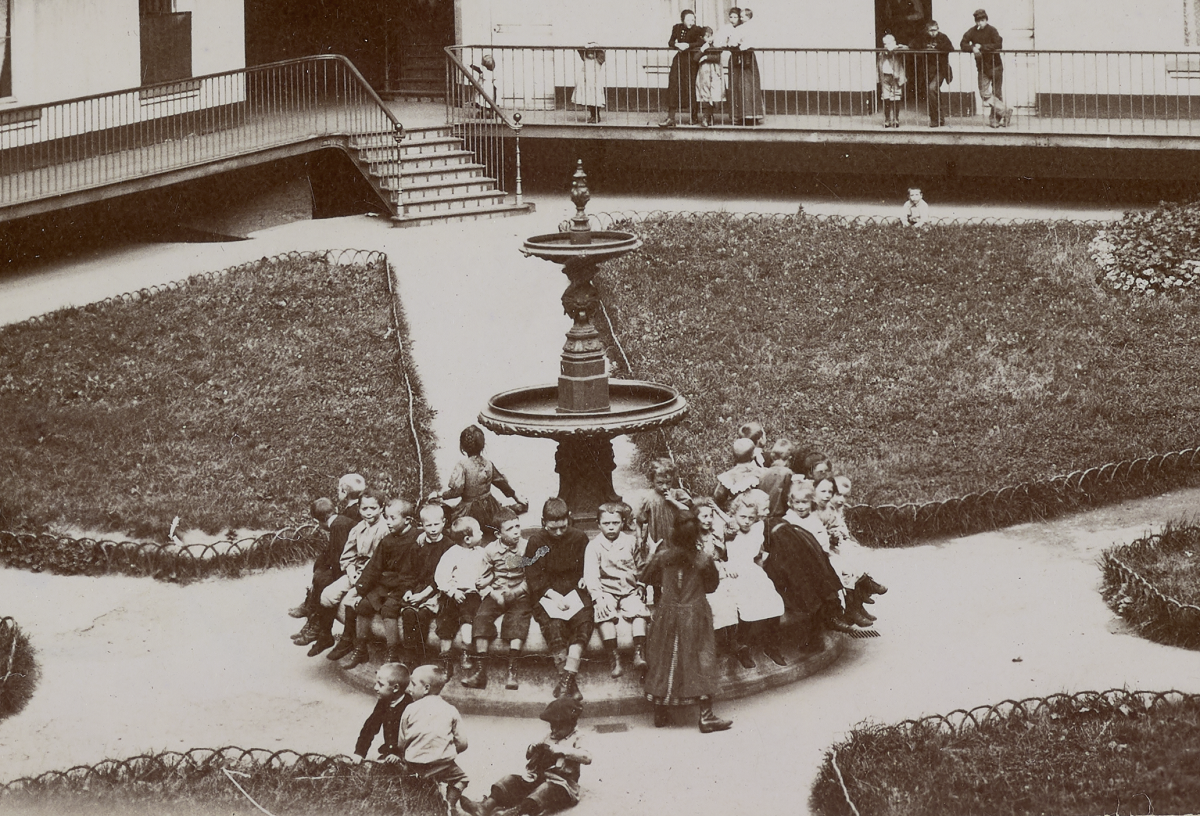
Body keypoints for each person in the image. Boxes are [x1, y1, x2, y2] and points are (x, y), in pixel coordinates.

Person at [641, 511, 732, 733]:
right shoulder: (703, 559)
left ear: (673, 533)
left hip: (667, 612)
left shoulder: (663, 557)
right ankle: (706, 715)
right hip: (695, 612)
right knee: (702, 659)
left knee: (663, 659)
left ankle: (661, 712)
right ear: (695, 536)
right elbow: (711, 586)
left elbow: (646, 578)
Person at [460, 696, 591, 816]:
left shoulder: (578, 737)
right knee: (510, 780)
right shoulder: (548, 735)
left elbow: (587, 757)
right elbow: (530, 756)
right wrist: (532, 748)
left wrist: (563, 750)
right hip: (538, 777)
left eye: (559, 727)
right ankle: (485, 806)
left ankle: (516, 812)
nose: (554, 731)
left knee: (545, 791)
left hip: (561, 785)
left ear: (572, 724)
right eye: (552, 727)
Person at [764, 482, 854, 653]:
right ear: (790, 503)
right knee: (811, 584)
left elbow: (821, 542)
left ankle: (841, 611)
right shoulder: (787, 521)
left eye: (804, 503)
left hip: (818, 558)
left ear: (811, 503)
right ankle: (828, 618)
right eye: (796, 503)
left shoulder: (813, 520)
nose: (800, 506)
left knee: (831, 573)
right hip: (801, 564)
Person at [527, 498, 594, 701]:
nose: (558, 533)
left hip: (575, 591)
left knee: (584, 621)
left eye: (563, 527)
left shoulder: (579, 537)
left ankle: (567, 679)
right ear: (543, 522)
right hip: (548, 594)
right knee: (554, 626)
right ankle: (569, 683)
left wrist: (585, 577)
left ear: (569, 519)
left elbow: (588, 564)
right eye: (552, 528)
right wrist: (554, 596)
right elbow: (533, 576)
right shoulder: (536, 542)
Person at [344, 498, 420, 668]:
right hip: (387, 583)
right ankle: (361, 649)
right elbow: (374, 567)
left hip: (407, 585)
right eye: (386, 517)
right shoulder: (387, 540)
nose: (388, 522)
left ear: (407, 520)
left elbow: (421, 569)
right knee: (363, 605)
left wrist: (411, 588)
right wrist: (360, 590)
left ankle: (392, 653)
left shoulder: (418, 538)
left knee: (389, 609)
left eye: (393, 518)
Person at [461, 508, 531, 691]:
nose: (516, 531)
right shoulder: (490, 550)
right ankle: (481, 671)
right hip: (497, 593)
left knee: (517, 621)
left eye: (517, 526)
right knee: (481, 618)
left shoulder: (527, 547)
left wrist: (514, 593)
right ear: (498, 533)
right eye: (510, 529)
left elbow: (532, 579)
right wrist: (494, 594)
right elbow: (482, 580)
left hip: (520, 593)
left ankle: (512, 671)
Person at [324, 489, 391, 663]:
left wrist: (361, 580)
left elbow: (380, 562)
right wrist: (351, 572)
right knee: (327, 596)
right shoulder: (358, 528)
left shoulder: (385, 529)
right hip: (356, 571)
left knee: (350, 601)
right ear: (359, 509)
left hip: (373, 574)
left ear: (381, 508)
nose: (368, 512)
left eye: (373, 508)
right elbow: (348, 555)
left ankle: (348, 640)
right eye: (364, 509)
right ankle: (325, 634)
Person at [584, 502, 649, 678]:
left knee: (639, 611)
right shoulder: (594, 546)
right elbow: (591, 575)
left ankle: (639, 652)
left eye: (615, 523)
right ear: (598, 524)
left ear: (622, 523)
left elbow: (641, 566)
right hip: (607, 591)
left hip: (629, 590)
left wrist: (641, 585)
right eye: (606, 523)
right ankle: (614, 657)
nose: (611, 527)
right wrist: (598, 597)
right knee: (604, 613)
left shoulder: (630, 541)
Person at [724, 492, 786, 668]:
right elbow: (720, 555)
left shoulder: (757, 529)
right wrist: (727, 568)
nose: (746, 521)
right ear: (733, 514)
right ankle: (741, 648)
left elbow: (757, 556)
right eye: (742, 516)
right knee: (746, 605)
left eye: (751, 517)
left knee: (773, 599)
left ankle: (771, 645)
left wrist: (761, 573)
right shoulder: (727, 528)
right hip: (732, 571)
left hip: (751, 570)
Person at [435, 425, 528, 540]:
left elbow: (457, 491)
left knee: (451, 527)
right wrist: (516, 497)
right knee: (496, 521)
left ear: (462, 447)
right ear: (483, 445)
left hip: (468, 510)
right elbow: (501, 483)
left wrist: (441, 495)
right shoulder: (488, 463)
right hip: (490, 507)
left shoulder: (462, 465)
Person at [399, 665, 469, 816]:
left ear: (426, 688)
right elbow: (463, 743)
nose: (409, 689)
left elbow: (401, 743)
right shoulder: (450, 709)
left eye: (413, 684)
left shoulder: (410, 709)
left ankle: (414, 795)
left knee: (408, 774)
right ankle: (449, 805)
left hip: (414, 764)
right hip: (441, 763)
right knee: (462, 779)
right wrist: (444, 749)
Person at [292, 496, 359, 653]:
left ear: (318, 520)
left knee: (324, 581)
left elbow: (341, 556)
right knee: (320, 576)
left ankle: (320, 629)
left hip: (353, 567)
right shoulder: (339, 522)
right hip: (348, 565)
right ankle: (313, 619)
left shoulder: (338, 526)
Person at [434, 515, 490, 679]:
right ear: (467, 539)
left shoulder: (481, 552)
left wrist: (484, 580)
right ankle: (446, 660)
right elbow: (440, 577)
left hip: (471, 594)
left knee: (468, 617)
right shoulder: (451, 554)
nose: (482, 534)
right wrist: (452, 591)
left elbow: (489, 569)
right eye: (479, 532)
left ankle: (466, 651)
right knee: (446, 622)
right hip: (453, 593)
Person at [693, 498, 740, 661]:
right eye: (704, 516)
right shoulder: (692, 538)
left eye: (710, 516)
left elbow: (735, 527)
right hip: (703, 577)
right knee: (715, 602)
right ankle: (719, 644)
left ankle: (733, 642)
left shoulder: (716, 533)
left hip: (719, 571)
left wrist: (718, 510)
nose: (708, 520)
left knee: (731, 597)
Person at [633, 457, 693, 563]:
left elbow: (689, 510)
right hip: (657, 536)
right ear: (652, 480)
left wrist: (672, 500)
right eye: (660, 483)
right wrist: (639, 538)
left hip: (675, 536)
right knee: (657, 561)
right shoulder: (648, 498)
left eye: (668, 482)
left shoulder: (678, 494)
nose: (664, 487)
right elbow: (639, 520)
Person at [960, 9, 1010, 127]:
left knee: (997, 93)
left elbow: (998, 45)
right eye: (978, 21)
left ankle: (995, 120)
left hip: (995, 65)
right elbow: (963, 44)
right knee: (984, 93)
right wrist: (972, 47)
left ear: (986, 20)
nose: (980, 23)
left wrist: (981, 47)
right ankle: (1005, 111)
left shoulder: (992, 30)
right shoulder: (972, 31)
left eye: (982, 20)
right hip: (982, 67)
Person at [353, 663, 412, 763]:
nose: (375, 687)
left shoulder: (410, 706)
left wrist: (399, 754)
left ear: (396, 688)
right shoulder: (383, 702)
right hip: (389, 755)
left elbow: (413, 737)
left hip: (407, 756)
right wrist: (359, 753)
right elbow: (370, 728)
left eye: (380, 684)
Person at [658, 9, 705, 127]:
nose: (691, 21)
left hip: (691, 61)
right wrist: (676, 44)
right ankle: (671, 117)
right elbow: (670, 41)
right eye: (688, 19)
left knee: (691, 86)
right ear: (682, 20)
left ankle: (694, 117)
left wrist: (688, 45)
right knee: (673, 84)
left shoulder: (697, 29)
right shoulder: (677, 28)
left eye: (693, 19)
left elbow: (701, 42)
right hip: (679, 60)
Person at [910, 19, 954, 127]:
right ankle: (939, 118)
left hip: (941, 69)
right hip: (928, 70)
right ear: (927, 30)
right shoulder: (923, 37)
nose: (933, 33)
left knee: (932, 89)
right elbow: (912, 44)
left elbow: (950, 47)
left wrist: (936, 47)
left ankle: (935, 119)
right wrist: (924, 47)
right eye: (931, 31)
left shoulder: (943, 37)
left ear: (938, 29)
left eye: (935, 30)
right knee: (934, 93)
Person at [729, 7, 765, 126]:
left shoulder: (747, 28)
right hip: (742, 57)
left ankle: (749, 115)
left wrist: (739, 44)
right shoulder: (743, 28)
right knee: (742, 85)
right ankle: (745, 115)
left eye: (742, 16)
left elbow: (739, 42)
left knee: (746, 85)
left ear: (748, 17)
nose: (741, 18)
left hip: (746, 57)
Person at [712, 437, 765, 512]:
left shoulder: (728, 477)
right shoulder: (760, 472)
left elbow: (718, 496)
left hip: (737, 511)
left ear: (733, 456)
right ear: (753, 455)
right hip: (757, 509)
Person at [693, 28, 725, 128]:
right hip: (704, 72)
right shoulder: (701, 47)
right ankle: (706, 117)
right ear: (702, 38)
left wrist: (706, 57)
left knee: (715, 93)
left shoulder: (715, 46)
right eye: (707, 36)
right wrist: (702, 50)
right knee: (705, 92)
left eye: (711, 35)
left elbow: (717, 58)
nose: (710, 38)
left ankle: (710, 115)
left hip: (715, 72)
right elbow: (695, 58)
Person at [757, 439, 795, 518]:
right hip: (780, 515)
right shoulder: (788, 473)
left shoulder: (763, 472)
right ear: (790, 458)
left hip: (764, 513)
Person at [877, 33, 909, 128]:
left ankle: (896, 119)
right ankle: (887, 119)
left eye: (888, 44)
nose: (886, 46)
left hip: (896, 77)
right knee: (886, 98)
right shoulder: (882, 53)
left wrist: (897, 46)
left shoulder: (897, 51)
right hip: (885, 77)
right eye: (884, 44)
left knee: (896, 97)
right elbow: (879, 65)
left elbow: (906, 49)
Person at [572, 43, 606, 124]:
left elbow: (602, 53)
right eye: (588, 52)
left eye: (592, 52)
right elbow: (579, 49)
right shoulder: (585, 59)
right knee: (589, 100)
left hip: (594, 82)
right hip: (586, 81)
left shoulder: (599, 60)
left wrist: (595, 46)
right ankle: (593, 116)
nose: (590, 55)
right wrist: (586, 45)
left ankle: (596, 116)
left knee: (595, 99)